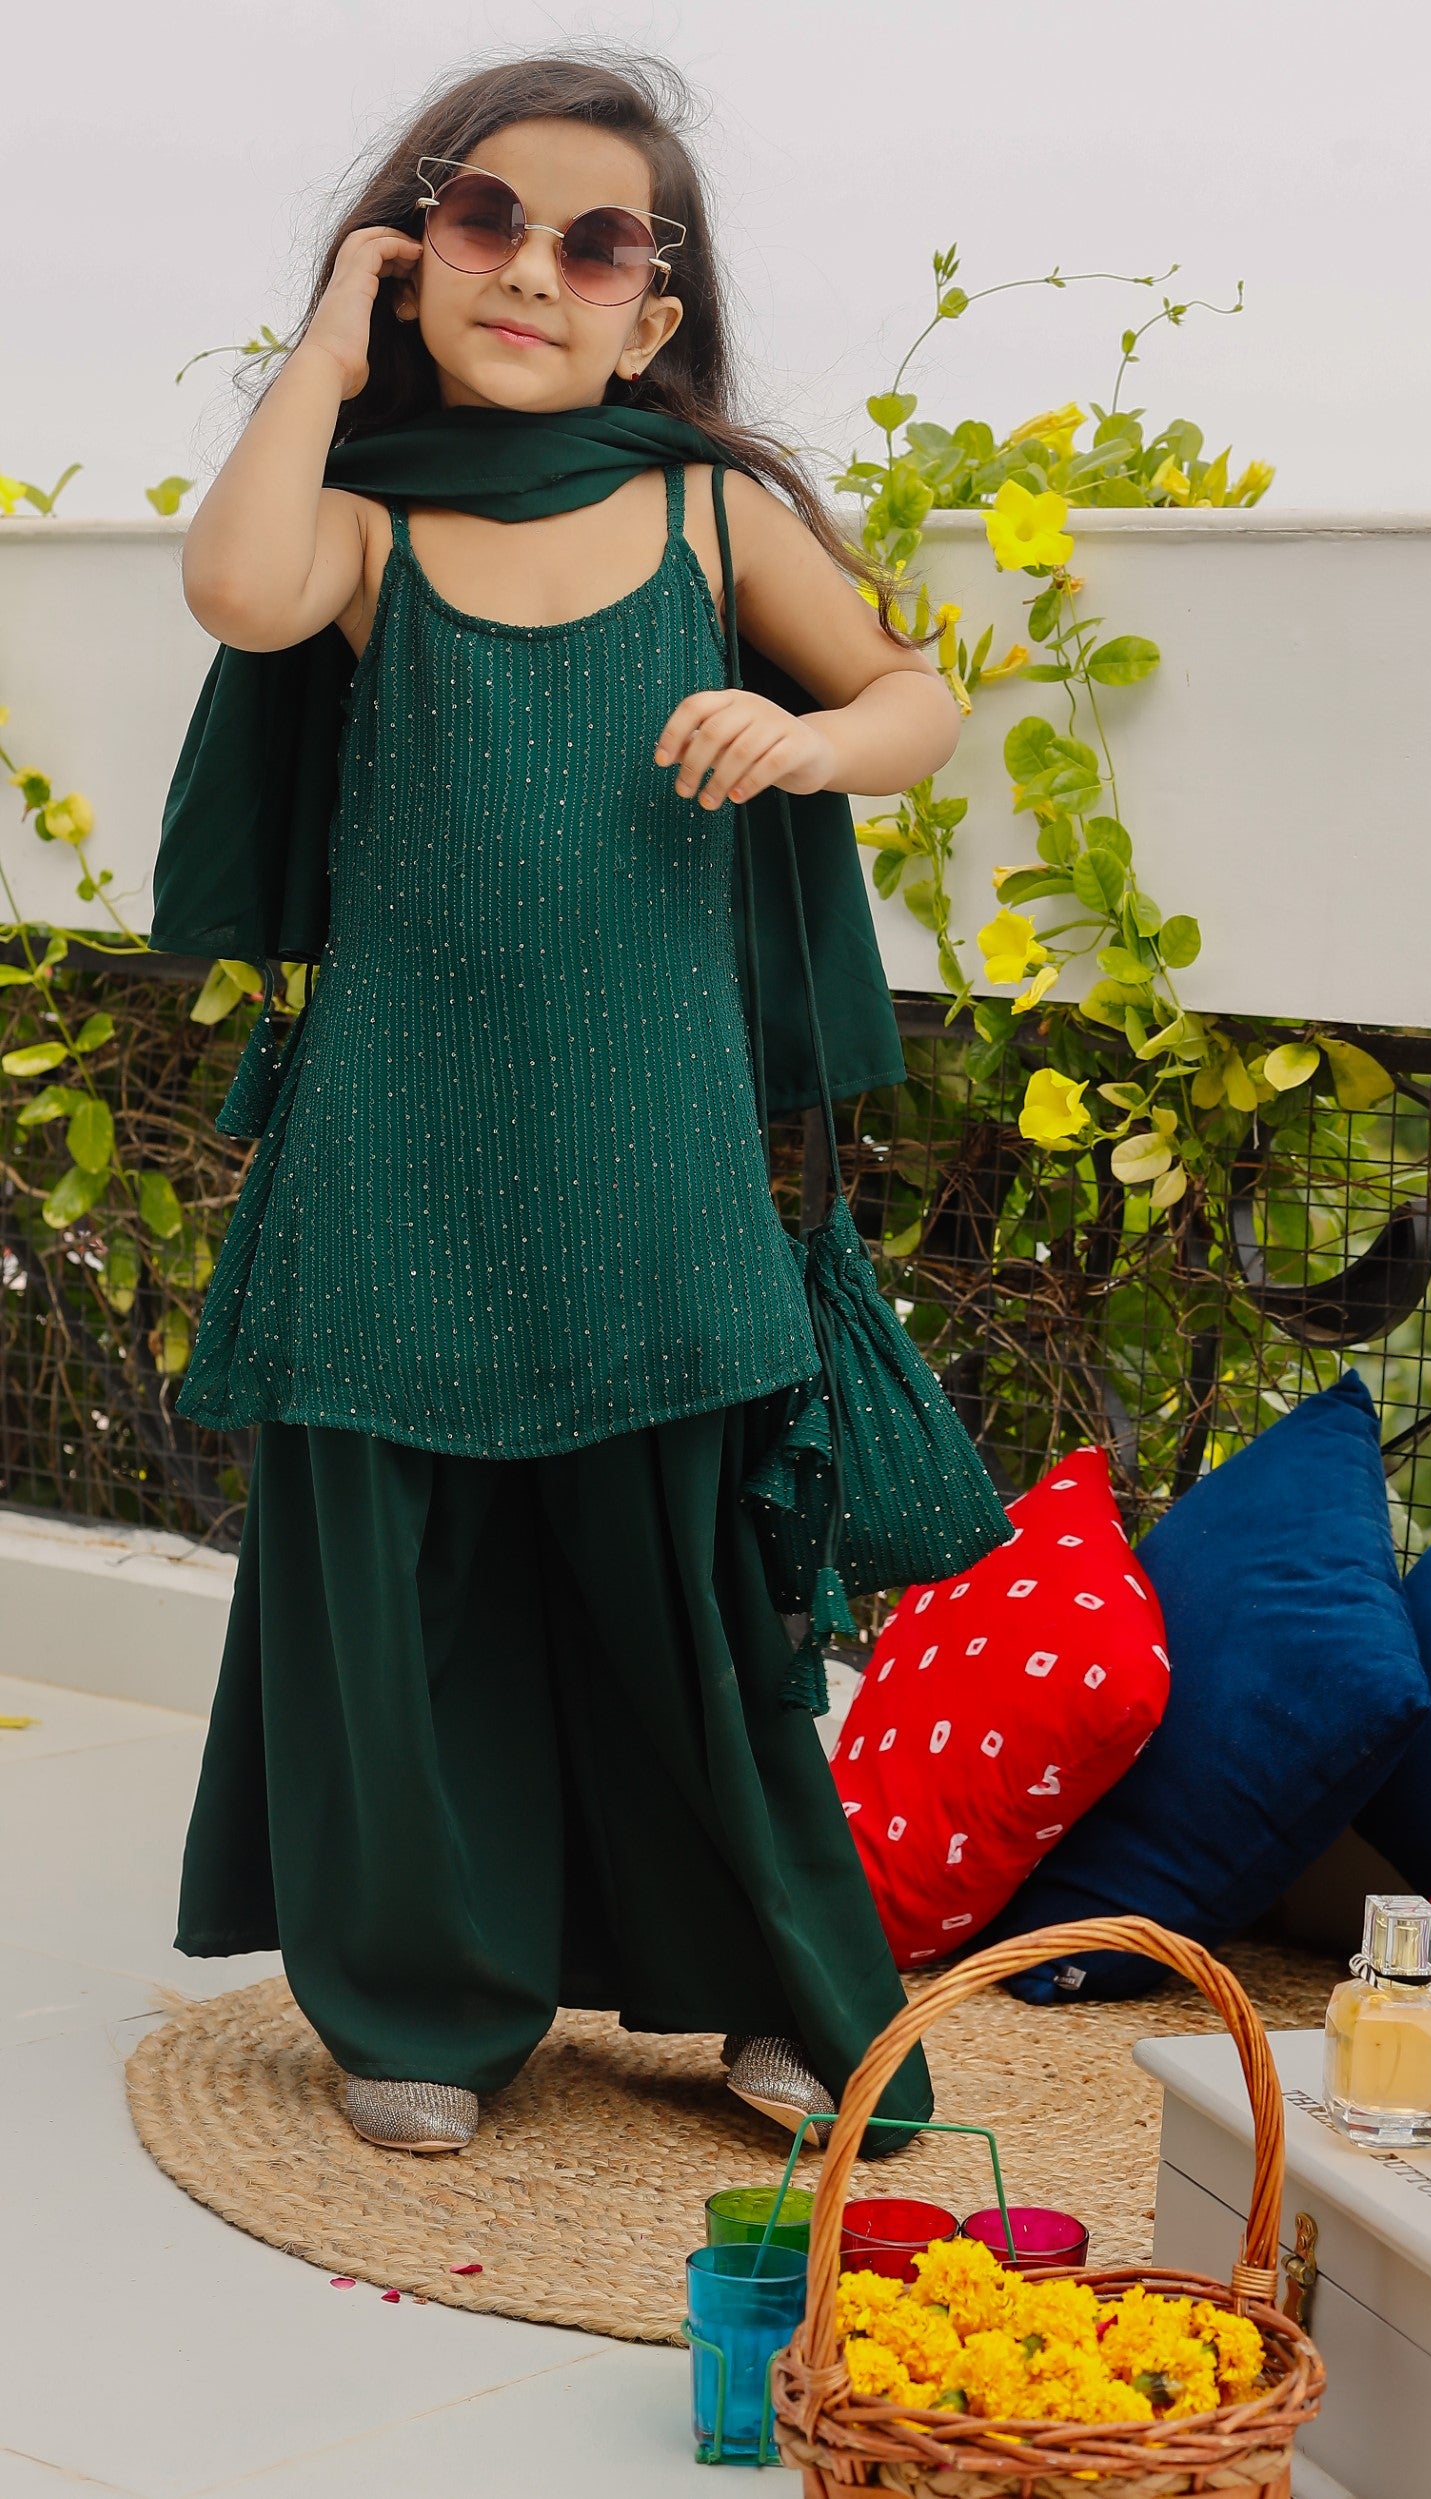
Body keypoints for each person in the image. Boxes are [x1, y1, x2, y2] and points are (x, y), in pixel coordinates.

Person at [166, 50, 958, 2156]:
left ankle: (775, 1991)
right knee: (396, 1609)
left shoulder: (715, 515)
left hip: (653, 1164)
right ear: (417, 248)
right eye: (483, 218)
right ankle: (419, 1999)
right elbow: (235, 587)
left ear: (652, 310)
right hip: (396, 1163)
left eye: (594, 240)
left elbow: (913, 695)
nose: (534, 267)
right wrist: (331, 338)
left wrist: (809, 745)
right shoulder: (365, 521)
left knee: (690, 1606)